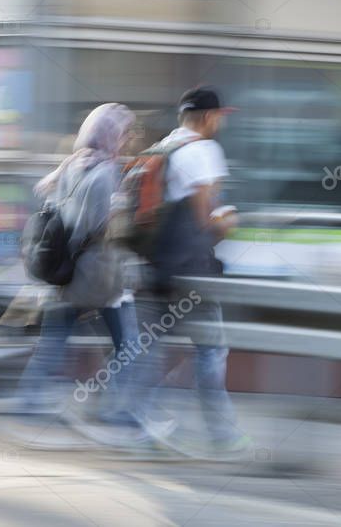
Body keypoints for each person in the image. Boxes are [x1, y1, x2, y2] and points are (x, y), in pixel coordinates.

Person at [130, 86, 250, 454]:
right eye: (219, 117)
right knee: (211, 350)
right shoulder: (205, 152)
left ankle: (145, 429)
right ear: (210, 117)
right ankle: (223, 436)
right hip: (192, 273)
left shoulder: (163, 148)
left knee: (152, 350)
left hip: (155, 268)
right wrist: (226, 221)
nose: (220, 123)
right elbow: (205, 223)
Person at [15, 103, 140, 414]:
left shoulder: (70, 165)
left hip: (65, 270)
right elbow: (105, 227)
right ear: (110, 135)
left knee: (54, 341)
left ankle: (28, 401)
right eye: (123, 134)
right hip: (98, 274)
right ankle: (116, 411)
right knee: (130, 345)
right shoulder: (107, 172)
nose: (126, 140)